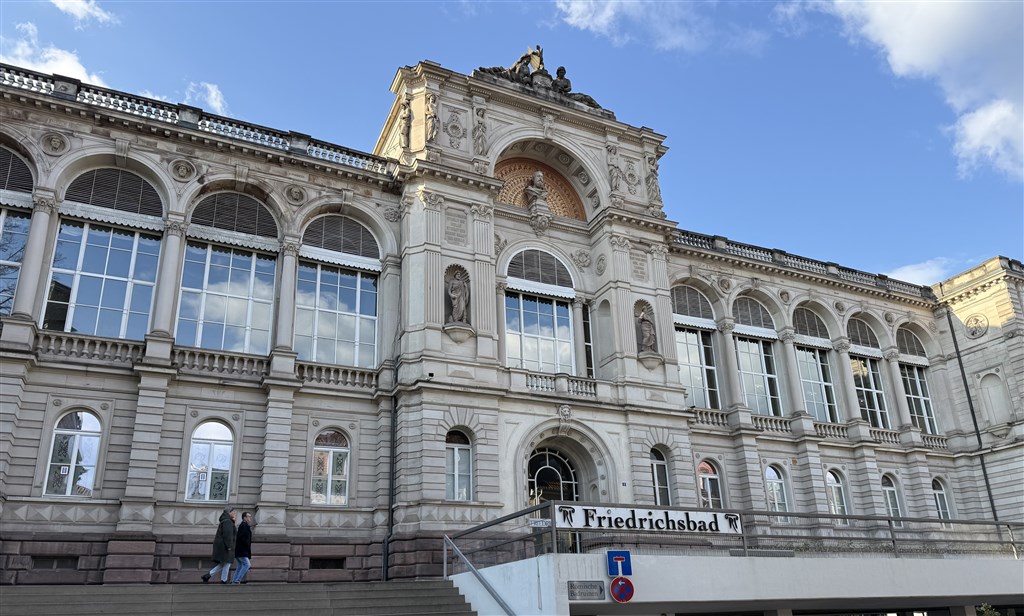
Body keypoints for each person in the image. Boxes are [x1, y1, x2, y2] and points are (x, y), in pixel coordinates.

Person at [202, 506, 236, 584]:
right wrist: (229, 546)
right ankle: (223, 580)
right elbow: (228, 535)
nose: (234, 513)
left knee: (224, 564)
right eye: (233, 512)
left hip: (223, 546)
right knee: (227, 563)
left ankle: (207, 576)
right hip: (226, 546)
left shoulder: (226, 520)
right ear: (229, 512)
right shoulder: (227, 521)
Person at [231, 511, 253, 584]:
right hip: (242, 550)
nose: (250, 518)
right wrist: (246, 546)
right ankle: (237, 580)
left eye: (250, 516)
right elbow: (242, 539)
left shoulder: (244, 525)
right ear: (244, 517)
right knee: (247, 564)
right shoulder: (244, 526)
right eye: (248, 516)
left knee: (240, 566)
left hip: (240, 550)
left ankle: (234, 581)